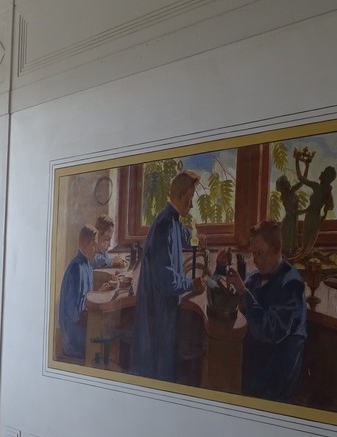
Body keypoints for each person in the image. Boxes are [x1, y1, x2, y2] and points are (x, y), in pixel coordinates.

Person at [130, 169, 206, 383]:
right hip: (159, 312)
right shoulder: (164, 225)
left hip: (162, 309)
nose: (192, 205)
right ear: (181, 195)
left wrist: (196, 238)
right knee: (159, 372)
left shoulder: (170, 220)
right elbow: (168, 281)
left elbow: (182, 234)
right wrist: (191, 284)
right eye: (190, 198)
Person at [221, 219, 308, 402]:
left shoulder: (292, 284)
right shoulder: (255, 277)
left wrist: (244, 292)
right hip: (255, 368)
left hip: (274, 381)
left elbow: (269, 330)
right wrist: (222, 271)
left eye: (260, 253)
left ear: (277, 248)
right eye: (253, 254)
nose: (255, 260)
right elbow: (239, 303)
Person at [57, 225, 99, 361]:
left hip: (79, 324)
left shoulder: (87, 265)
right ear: (83, 244)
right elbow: (73, 312)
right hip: (72, 335)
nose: (96, 249)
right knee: (101, 332)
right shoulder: (76, 268)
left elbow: (86, 297)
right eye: (93, 245)